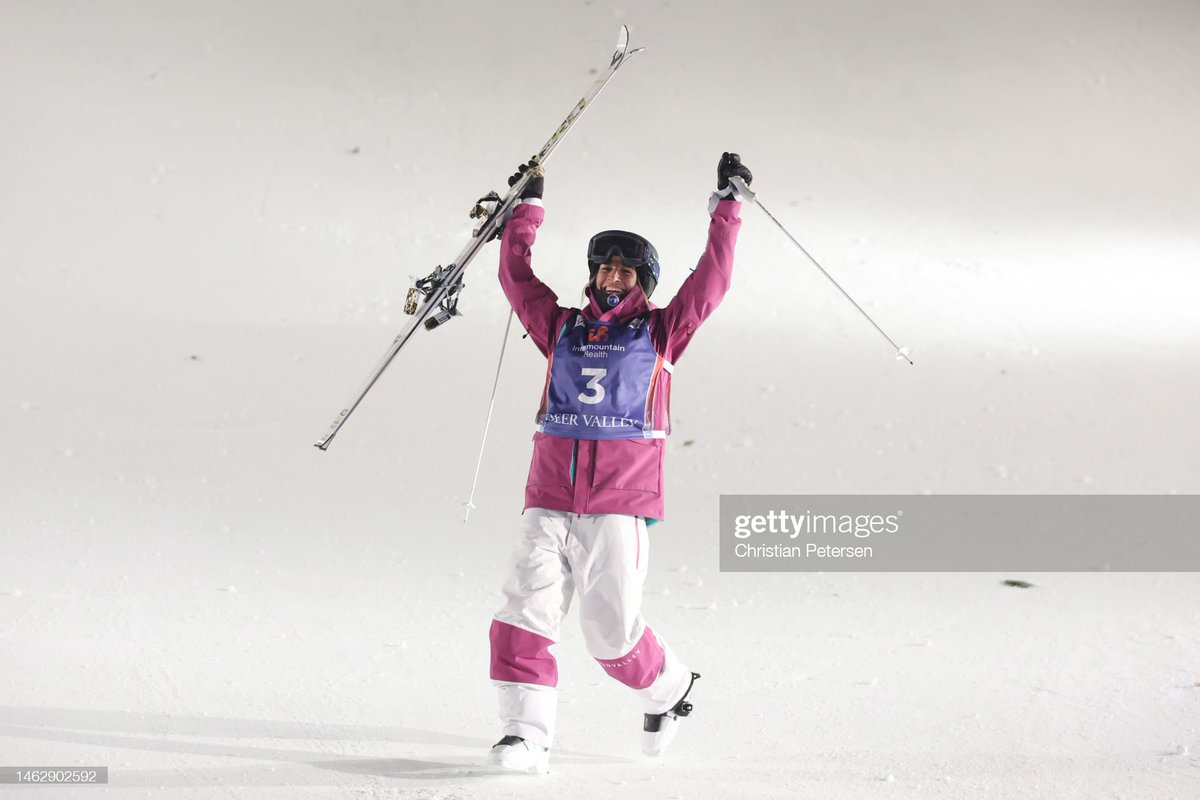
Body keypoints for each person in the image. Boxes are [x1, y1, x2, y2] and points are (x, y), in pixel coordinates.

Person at [486, 153, 753, 774]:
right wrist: (524, 212)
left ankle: (670, 689)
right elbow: (517, 281)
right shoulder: (560, 328)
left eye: (626, 268)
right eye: (605, 264)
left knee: (609, 633)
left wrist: (727, 211)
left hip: (618, 506)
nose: (612, 274)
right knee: (522, 611)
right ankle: (523, 736)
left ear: (644, 282)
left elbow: (711, 283)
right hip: (549, 496)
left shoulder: (661, 334)